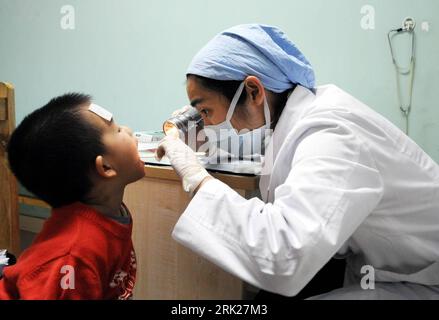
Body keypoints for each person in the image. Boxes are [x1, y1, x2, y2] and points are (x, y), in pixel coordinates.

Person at [156, 24, 439, 299]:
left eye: (206, 110)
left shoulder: (332, 134)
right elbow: (280, 152)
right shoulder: (303, 116)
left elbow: (284, 255)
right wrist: (212, 132)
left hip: (424, 281)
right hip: (391, 270)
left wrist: (196, 177)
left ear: (253, 92)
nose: (206, 123)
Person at [0, 93, 145, 299]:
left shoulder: (111, 213)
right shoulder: (74, 256)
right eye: (118, 130)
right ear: (105, 166)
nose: (129, 130)